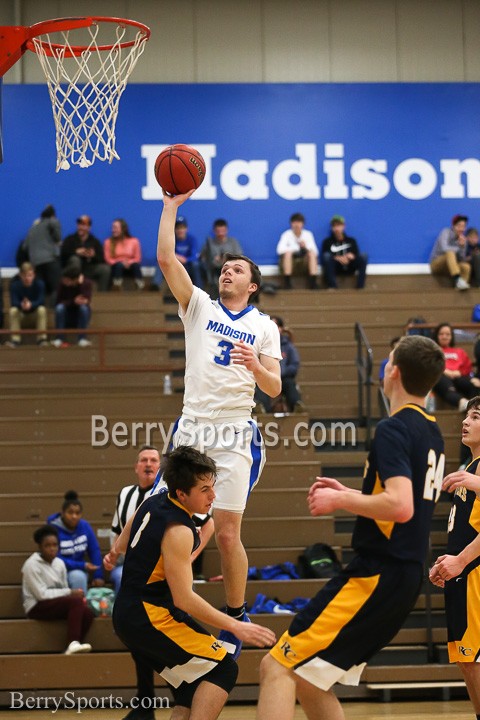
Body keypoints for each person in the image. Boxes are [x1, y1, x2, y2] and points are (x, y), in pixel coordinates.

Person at [256, 334, 446, 720]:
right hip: (403, 576)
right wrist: (355, 492)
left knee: (277, 666)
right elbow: (398, 498)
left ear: (392, 371)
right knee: (312, 677)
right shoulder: (432, 430)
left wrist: (340, 500)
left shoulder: (395, 428)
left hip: (378, 573)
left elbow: (401, 505)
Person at [135, 188, 280, 663]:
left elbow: (276, 388)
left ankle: (235, 616)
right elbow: (164, 258)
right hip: (193, 423)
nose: (226, 271)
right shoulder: (199, 305)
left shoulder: (264, 325)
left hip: (236, 428)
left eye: (237, 269)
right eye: (224, 267)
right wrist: (170, 208)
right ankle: (163, 598)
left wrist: (256, 368)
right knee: (163, 516)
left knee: (226, 532)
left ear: (252, 285)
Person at [109, 446, 276, 720]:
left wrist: (116, 553)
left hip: (130, 611)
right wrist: (236, 625)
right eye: (204, 490)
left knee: (192, 684)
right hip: (148, 616)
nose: (213, 496)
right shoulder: (179, 530)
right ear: (182, 494)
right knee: (224, 668)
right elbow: (184, 599)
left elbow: (121, 544)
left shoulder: (153, 501)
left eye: (213, 486)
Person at [430, 396, 480, 720]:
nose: (466, 421)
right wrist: (447, 561)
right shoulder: (470, 468)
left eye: (475, 417)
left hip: (475, 573)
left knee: (475, 659)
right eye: (466, 415)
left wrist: (461, 560)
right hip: (463, 573)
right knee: (468, 661)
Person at [22, 524, 94, 655]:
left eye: (55, 545)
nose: (52, 549)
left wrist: (73, 594)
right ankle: (73, 642)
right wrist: (70, 593)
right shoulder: (31, 565)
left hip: (54, 603)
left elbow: (64, 588)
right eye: (47, 545)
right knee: (75, 602)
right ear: (40, 547)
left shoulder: (59, 563)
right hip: (36, 606)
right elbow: (41, 595)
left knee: (87, 612)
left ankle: (72, 647)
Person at [47, 490, 104, 596]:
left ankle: (81, 609)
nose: (74, 516)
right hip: (57, 570)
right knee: (78, 576)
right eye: (70, 512)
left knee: (78, 576)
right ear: (63, 513)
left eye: (77, 513)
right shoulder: (53, 529)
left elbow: (94, 550)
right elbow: (55, 557)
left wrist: (98, 575)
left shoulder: (85, 526)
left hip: (79, 570)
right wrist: (83, 565)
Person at [255, 316, 305, 413]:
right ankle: (261, 409)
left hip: (284, 378)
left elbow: (294, 365)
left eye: (276, 326)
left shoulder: (289, 346)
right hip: (265, 377)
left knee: (289, 384)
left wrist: (280, 373)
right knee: (261, 386)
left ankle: (297, 406)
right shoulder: (261, 344)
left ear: (281, 329)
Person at [431, 323, 480, 411]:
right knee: (446, 385)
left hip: (458, 376)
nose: (444, 336)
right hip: (441, 377)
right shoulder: (433, 351)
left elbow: (467, 367)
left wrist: (460, 372)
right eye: (441, 334)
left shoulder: (459, 351)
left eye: (447, 334)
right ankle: (462, 402)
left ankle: (475, 408)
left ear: (451, 336)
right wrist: (444, 371)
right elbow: (430, 366)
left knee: (474, 384)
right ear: (436, 336)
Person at [151, 215, 203, 291]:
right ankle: (155, 285)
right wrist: (176, 257)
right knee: (161, 261)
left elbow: (194, 256)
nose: (180, 230)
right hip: (175, 265)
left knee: (195, 264)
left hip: (188, 265)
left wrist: (185, 260)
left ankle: (199, 288)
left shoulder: (192, 239)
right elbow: (164, 253)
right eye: (178, 228)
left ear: (186, 229)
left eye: (182, 228)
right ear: (174, 229)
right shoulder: (171, 239)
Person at [61, 215, 110, 292]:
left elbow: (102, 258)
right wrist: (76, 252)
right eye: (79, 224)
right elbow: (63, 254)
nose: (80, 227)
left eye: (83, 225)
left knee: (105, 269)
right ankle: (72, 292)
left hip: (89, 268)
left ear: (89, 227)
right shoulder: (70, 239)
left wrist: (93, 256)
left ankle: (102, 294)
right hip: (73, 269)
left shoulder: (94, 241)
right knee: (75, 260)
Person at [24, 204, 62, 303]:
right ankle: (54, 311)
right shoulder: (52, 221)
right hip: (50, 260)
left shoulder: (33, 228)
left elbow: (25, 247)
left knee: (40, 289)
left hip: (35, 263)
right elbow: (58, 238)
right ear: (53, 215)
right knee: (56, 288)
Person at [320, 215, 368, 290]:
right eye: (334, 226)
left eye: (338, 225)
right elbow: (325, 257)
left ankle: (360, 287)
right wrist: (337, 258)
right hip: (336, 267)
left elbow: (356, 254)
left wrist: (351, 256)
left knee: (364, 256)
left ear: (343, 226)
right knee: (327, 256)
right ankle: (332, 286)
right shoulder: (327, 242)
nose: (336, 228)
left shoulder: (351, 241)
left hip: (350, 266)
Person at [7, 262, 48, 347]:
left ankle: (41, 339)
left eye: (30, 275)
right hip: (21, 317)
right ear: (20, 275)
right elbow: (13, 302)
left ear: (34, 275)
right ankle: (15, 340)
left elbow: (41, 301)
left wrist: (31, 304)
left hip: (34, 317)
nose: (27, 278)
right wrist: (22, 304)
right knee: (13, 310)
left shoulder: (40, 284)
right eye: (25, 275)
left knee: (42, 309)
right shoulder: (14, 285)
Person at [53, 266, 93, 348]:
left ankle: (82, 339)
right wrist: (73, 301)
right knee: (59, 308)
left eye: (67, 280)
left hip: (79, 315)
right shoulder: (62, 284)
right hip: (67, 313)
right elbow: (58, 302)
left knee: (84, 308)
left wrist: (81, 285)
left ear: (75, 280)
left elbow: (86, 300)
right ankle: (59, 338)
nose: (65, 282)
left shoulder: (86, 283)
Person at [276, 212, 318, 290]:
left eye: (299, 222)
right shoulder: (286, 234)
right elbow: (279, 250)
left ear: (303, 224)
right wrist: (294, 249)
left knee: (312, 254)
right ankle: (287, 283)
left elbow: (315, 251)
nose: (296, 225)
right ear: (291, 224)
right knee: (288, 254)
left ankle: (313, 282)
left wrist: (305, 247)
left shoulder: (308, 234)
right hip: (292, 264)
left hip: (304, 264)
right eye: (294, 222)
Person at [430, 214, 471, 290]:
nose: (461, 229)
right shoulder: (446, 232)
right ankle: (458, 279)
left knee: (466, 267)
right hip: (437, 264)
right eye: (459, 226)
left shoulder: (463, 239)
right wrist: (458, 248)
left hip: (450, 267)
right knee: (450, 253)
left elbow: (462, 259)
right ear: (453, 226)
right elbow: (444, 248)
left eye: (463, 226)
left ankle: (460, 286)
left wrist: (462, 246)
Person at [201, 218, 242, 290]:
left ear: (226, 230)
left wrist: (227, 259)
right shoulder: (209, 243)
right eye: (218, 231)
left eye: (223, 231)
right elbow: (203, 256)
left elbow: (240, 256)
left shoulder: (233, 242)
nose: (220, 233)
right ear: (214, 231)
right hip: (214, 269)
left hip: (231, 268)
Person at [104, 219, 144, 290]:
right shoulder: (108, 242)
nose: (113, 230)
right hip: (115, 266)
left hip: (131, 266)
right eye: (112, 228)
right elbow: (108, 259)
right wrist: (121, 261)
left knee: (136, 265)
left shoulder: (134, 241)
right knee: (119, 266)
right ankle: (117, 286)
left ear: (123, 229)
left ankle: (140, 285)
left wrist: (128, 262)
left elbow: (137, 258)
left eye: (115, 228)